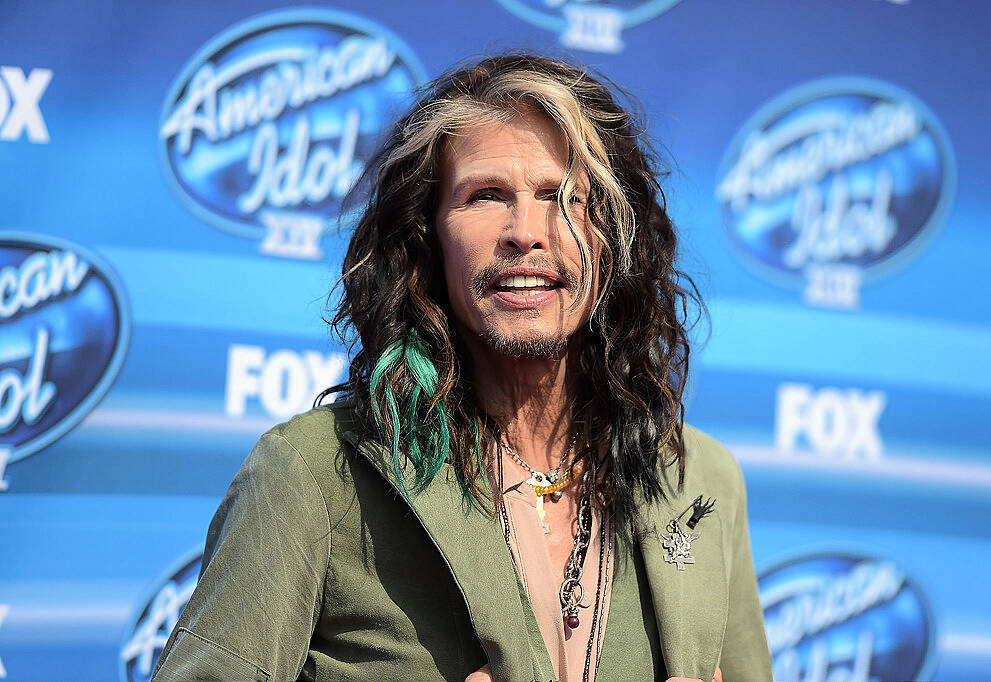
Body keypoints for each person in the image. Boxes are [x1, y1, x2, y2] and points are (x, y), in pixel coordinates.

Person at [152, 54, 772, 682]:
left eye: (566, 197)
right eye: (485, 195)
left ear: (617, 242)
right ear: (427, 237)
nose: (527, 232)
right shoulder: (313, 473)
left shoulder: (704, 481)